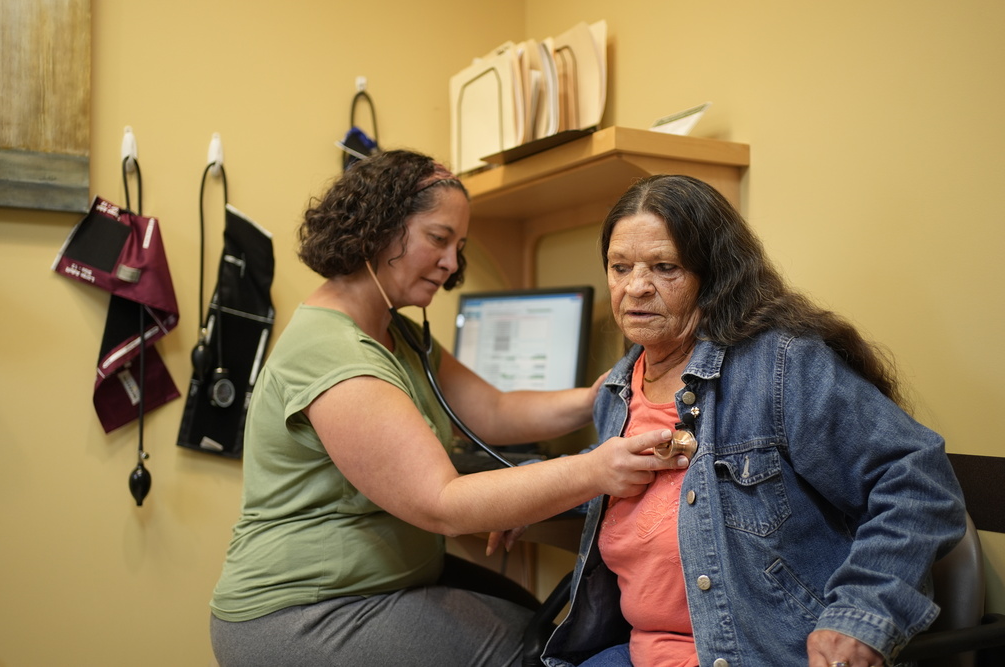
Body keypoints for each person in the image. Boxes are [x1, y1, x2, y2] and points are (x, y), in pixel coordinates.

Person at [209, 149, 677, 667]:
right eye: (438, 239)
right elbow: (442, 503)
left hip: (382, 583)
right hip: (303, 613)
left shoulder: (397, 332)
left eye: (459, 246)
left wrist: (607, 391)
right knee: (538, 652)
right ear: (378, 229)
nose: (453, 263)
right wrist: (594, 469)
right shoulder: (331, 351)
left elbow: (495, 411)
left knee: (541, 621)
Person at [542, 174, 967, 667]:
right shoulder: (618, 386)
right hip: (638, 652)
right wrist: (541, 500)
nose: (636, 287)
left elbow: (919, 486)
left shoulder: (781, 368)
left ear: (714, 276)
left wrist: (860, 617)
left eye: (665, 267)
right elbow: (626, 481)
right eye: (620, 268)